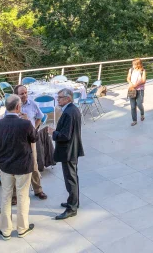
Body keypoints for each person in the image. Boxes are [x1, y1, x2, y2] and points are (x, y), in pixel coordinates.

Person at [0, 94, 37, 240]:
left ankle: (5, 230)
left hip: (5, 167)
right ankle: (22, 228)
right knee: (23, 197)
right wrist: (29, 121)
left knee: (5, 197)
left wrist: (1, 160)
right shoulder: (25, 124)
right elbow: (35, 138)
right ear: (18, 107)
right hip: (23, 166)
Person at [47, 89, 84, 220]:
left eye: (60, 97)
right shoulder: (73, 109)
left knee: (70, 179)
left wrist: (53, 132)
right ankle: (74, 202)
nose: (58, 99)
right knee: (73, 177)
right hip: (72, 149)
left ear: (68, 99)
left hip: (68, 151)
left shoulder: (69, 113)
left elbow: (65, 135)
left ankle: (72, 208)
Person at [15, 85, 47, 201]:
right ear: (16, 95)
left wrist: (34, 128)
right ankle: (15, 195)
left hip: (30, 139)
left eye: (25, 93)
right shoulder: (12, 106)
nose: (24, 95)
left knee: (34, 164)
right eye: (21, 94)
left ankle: (38, 190)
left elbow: (40, 117)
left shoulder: (33, 104)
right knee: (16, 166)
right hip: (17, 140)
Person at [127, 58, 147, 126]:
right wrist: (130, 83)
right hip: (132, 89)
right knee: (133, 106)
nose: (133, 65)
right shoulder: (131, 70)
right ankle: (134, 120)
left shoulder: (142, 71)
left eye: (134, 64)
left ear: (138, 64)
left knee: (139, 104)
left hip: (140, 90)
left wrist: (135, 85)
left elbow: (143, 80)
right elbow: (128, 78)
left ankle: (142, 113)